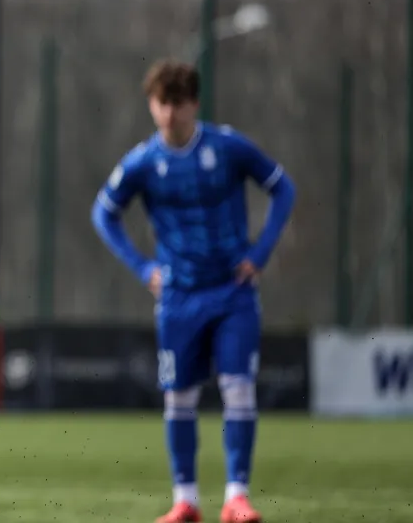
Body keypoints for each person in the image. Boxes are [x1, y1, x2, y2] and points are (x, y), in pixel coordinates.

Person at [91, 60, 296, 523]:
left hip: (232, 292)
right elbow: (103, 214)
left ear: (194, 104)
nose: (170, 114)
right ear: (152, 105)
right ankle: (186, 499)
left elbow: (283, 189)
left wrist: (260, 253)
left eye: (178, 104)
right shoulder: (143, 162)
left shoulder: (227, 147)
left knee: (237, 388)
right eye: (162, 104)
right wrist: (144, 268)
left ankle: (236, 496)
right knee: (178, 397)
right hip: (178, 298)